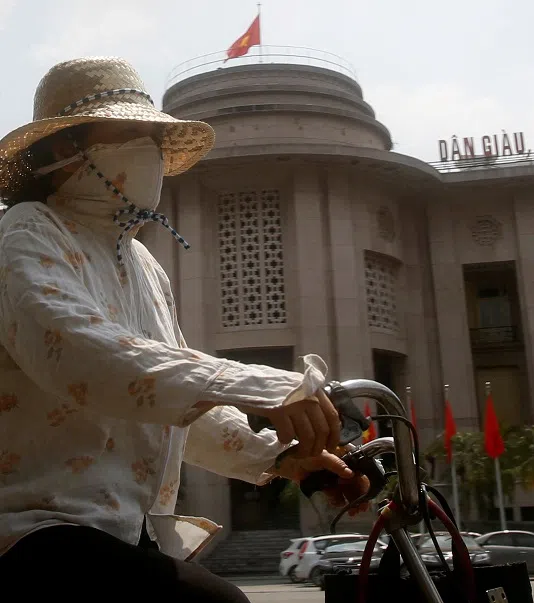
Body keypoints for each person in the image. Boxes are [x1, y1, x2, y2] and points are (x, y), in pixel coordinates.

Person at [0, 57, 369, 602]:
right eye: (130, 135)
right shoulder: (27, 233)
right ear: (64, 149)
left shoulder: (144, 264)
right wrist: (259, 386)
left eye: (155, 138)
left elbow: (170, 400)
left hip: (129, 528)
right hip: (37, 524)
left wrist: (278, 458)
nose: (149, 151)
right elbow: (81, 353)